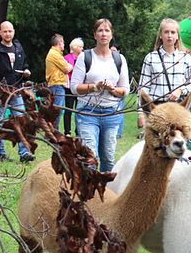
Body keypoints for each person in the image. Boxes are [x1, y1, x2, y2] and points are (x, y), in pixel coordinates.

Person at [70, 19, 129, 172]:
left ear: (111, 35)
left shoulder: (119, 59)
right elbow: (74, 87)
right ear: (95, 34)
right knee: (90, 158)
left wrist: (112, 90)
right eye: (100, 31)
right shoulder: (85, 57)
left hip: (111, 113)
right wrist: (94, 87)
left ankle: (106, 193)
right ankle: (89, 193)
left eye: (107, 30)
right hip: (88, 112)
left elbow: (125, 90)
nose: (104, 34)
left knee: (109, 159)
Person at [0, 20, 34, 162]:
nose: (8, 34)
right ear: (0, 33)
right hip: (0, 91)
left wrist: (26, 71)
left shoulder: (18, 48)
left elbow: (25, 64)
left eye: (10, 31)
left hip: (16, 90)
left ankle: (24, 153)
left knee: (21, 121)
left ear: (13, 32)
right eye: (5, 31)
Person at [138, 18, 191, 128]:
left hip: (179, 107)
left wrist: (180, 90)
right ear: (161, 35)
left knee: (177, 141)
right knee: (157, 142)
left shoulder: (185, 58)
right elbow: (143, 88)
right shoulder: (150, 58)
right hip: (157, 108)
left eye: (173, 32)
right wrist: (141, 114)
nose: (169, 35)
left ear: (177, 36)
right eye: (166, 32)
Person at [45, 33, 71, 130]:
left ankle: (53, 131)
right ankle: (53, 132)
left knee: (55, 111)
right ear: (60, 43)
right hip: (56, 86)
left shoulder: (54, 53)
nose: (64, 45)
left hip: (56, 86)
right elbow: (66, 68)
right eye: (63, 42)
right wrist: (70, 65)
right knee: (57, 111)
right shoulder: (54, 54)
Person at [63, 37, 83, 136]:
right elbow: (65, 70)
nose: (82, 49)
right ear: (75, 47)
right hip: (69, 86)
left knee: (79, 109)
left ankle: (78, 130)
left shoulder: (83, 58)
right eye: (80, 46)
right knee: (69, 109)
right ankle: (67, 131)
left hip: (80, 86)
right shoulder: (67, 58)